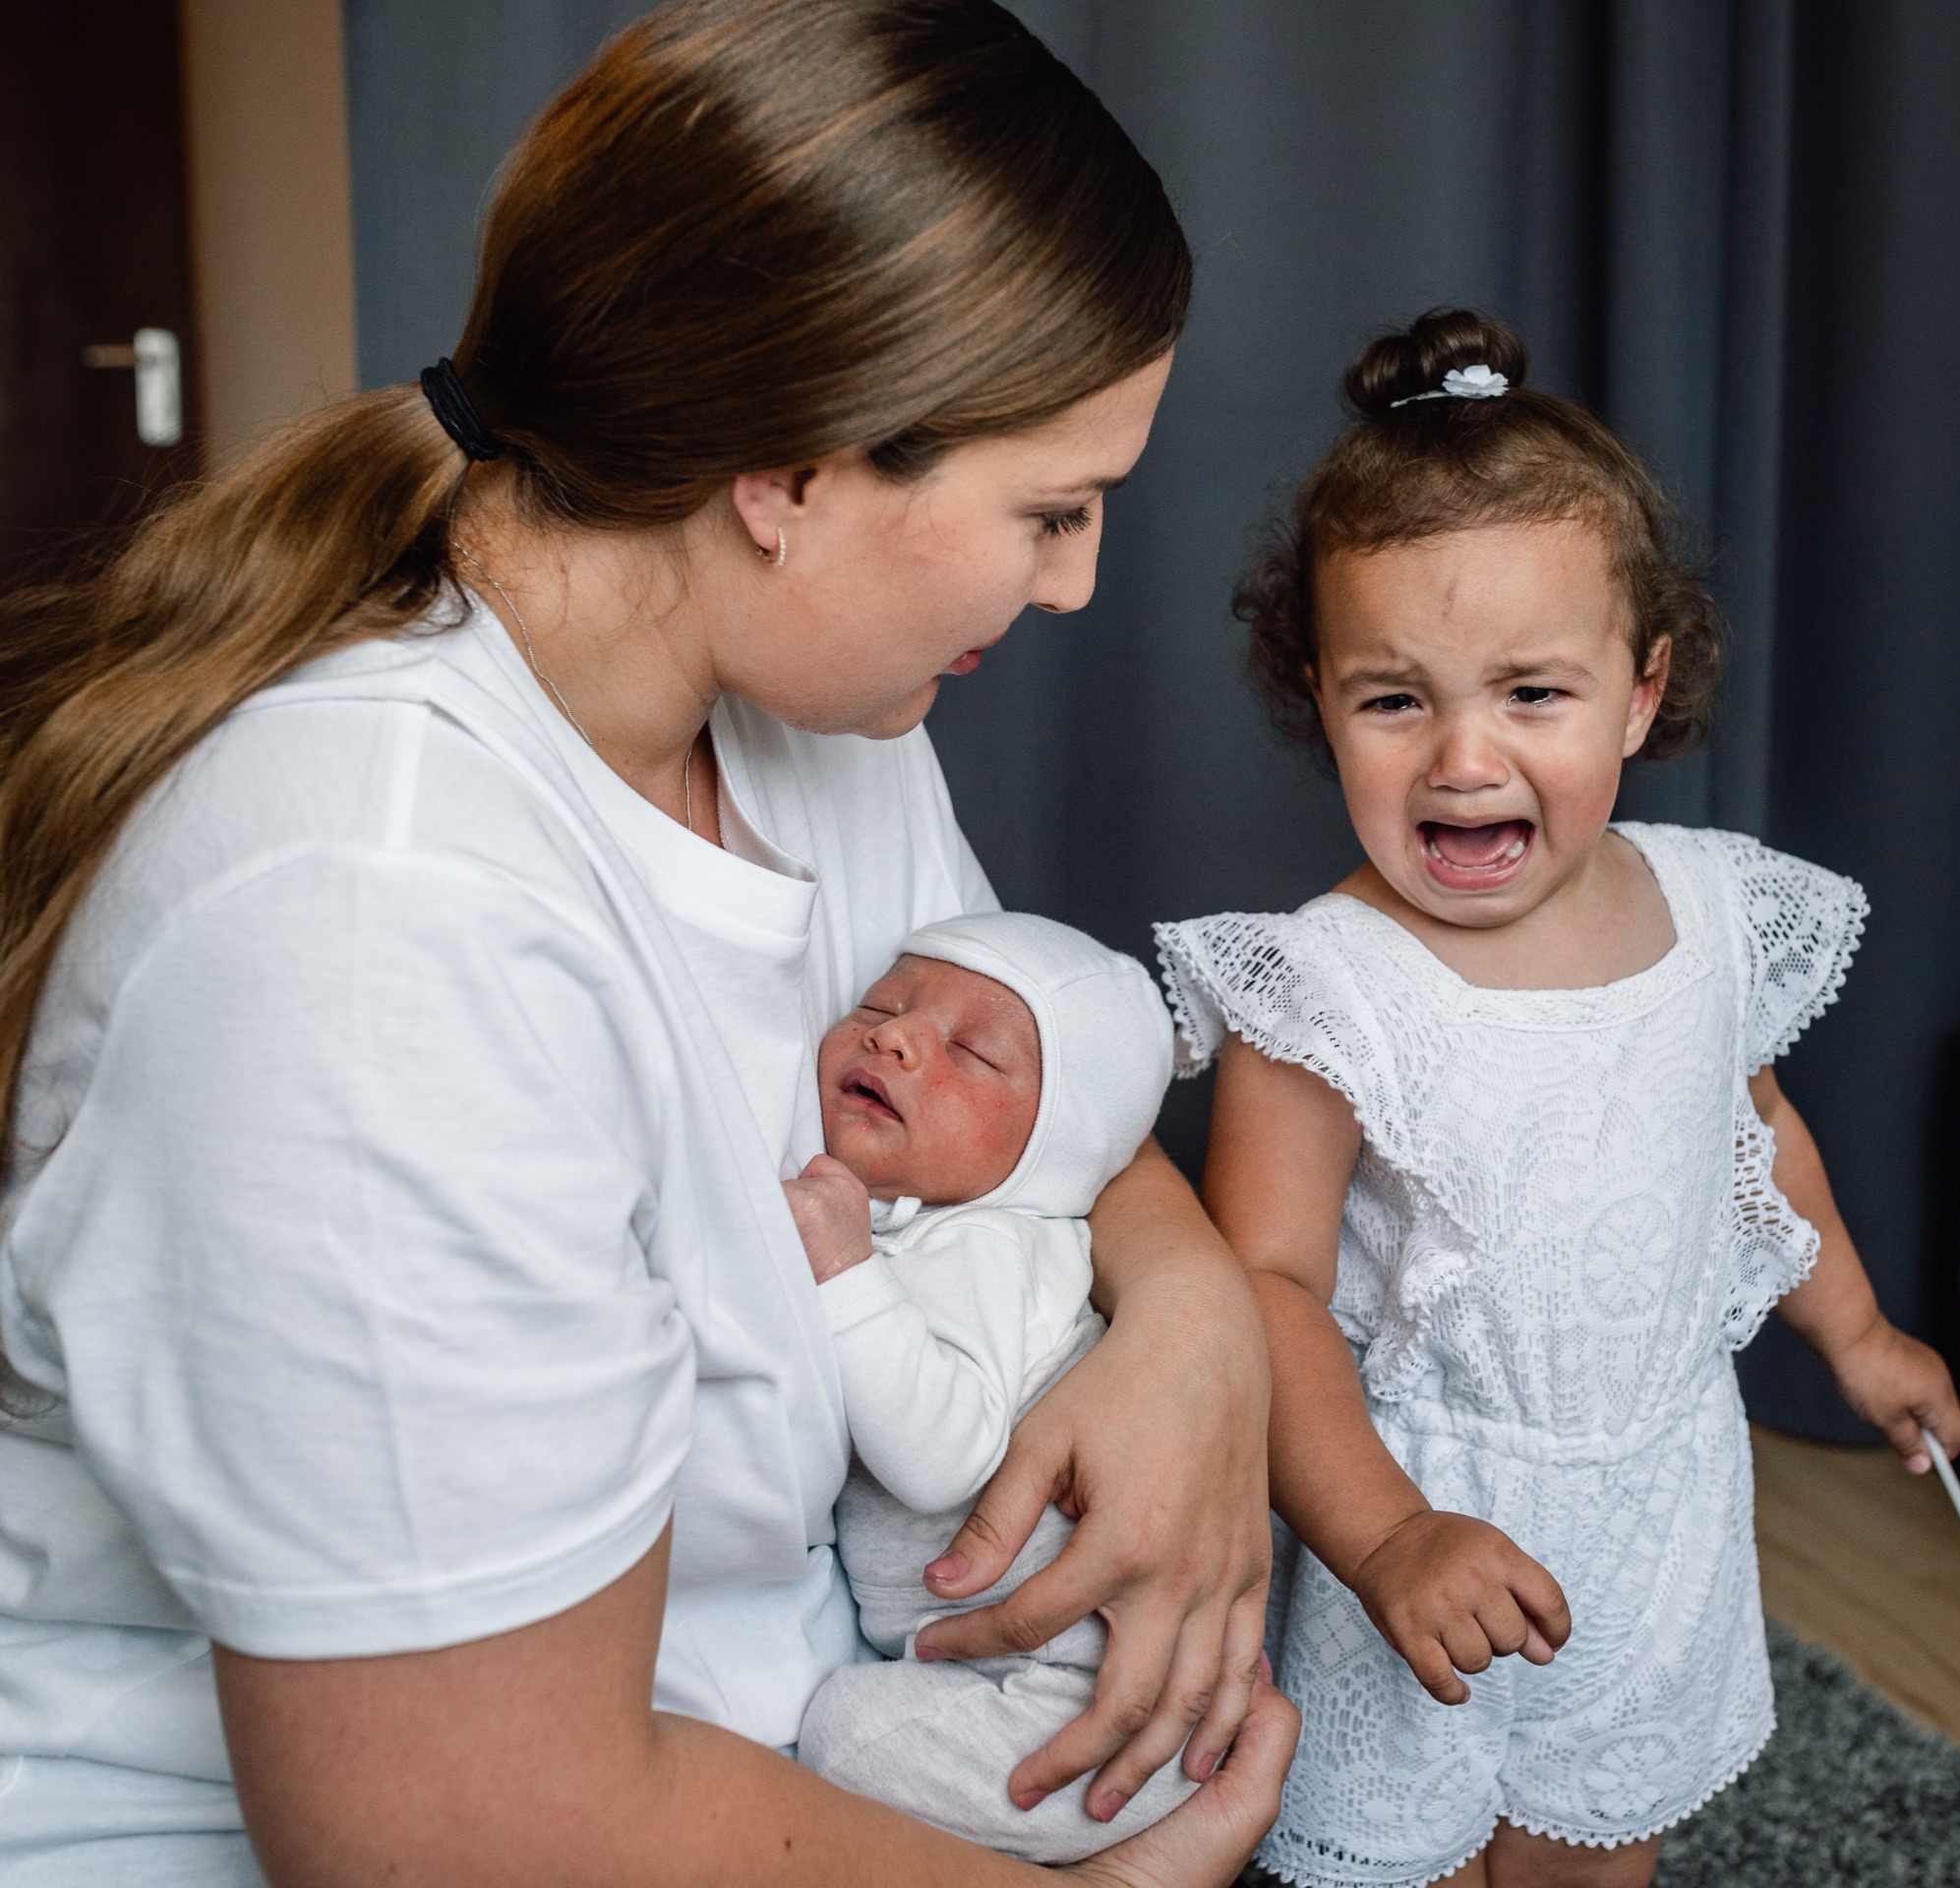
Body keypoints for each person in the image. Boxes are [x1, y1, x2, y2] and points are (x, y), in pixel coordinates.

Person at [0, 4, 1290, 1884]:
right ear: (786, 474)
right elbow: (470, 1844)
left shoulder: (824, 724)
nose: (1078, 580)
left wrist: (1195, 1327)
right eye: (1051, 510)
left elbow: (1032, 1084)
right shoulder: (373, 936)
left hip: (770, 1739)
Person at [1157, 308, 1960, 1888]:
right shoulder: (1322, 990)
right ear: (1316, 698)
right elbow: (1263, 1288)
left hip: (1660, 1496)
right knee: (1414, 1862)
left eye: (1534, 694)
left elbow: (1757, 1138)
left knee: (1599, 1847)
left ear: (1643, 692)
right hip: (1424, 1503)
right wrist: (1387, 1536)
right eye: (1395, 700)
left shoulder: (1711, 912)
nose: (1465, 756)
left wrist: (1856, 1336)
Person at [780, 913, 1199, 1859]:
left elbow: (941, 1461)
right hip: (1054, 1681)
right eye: (880, 1006)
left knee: (838, 1740)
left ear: (1056, 1145)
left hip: (1090, 1699)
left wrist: (843, 1272)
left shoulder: (993, 1244)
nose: (895, 1035)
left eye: (970, 1052)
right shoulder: (944, 1225)